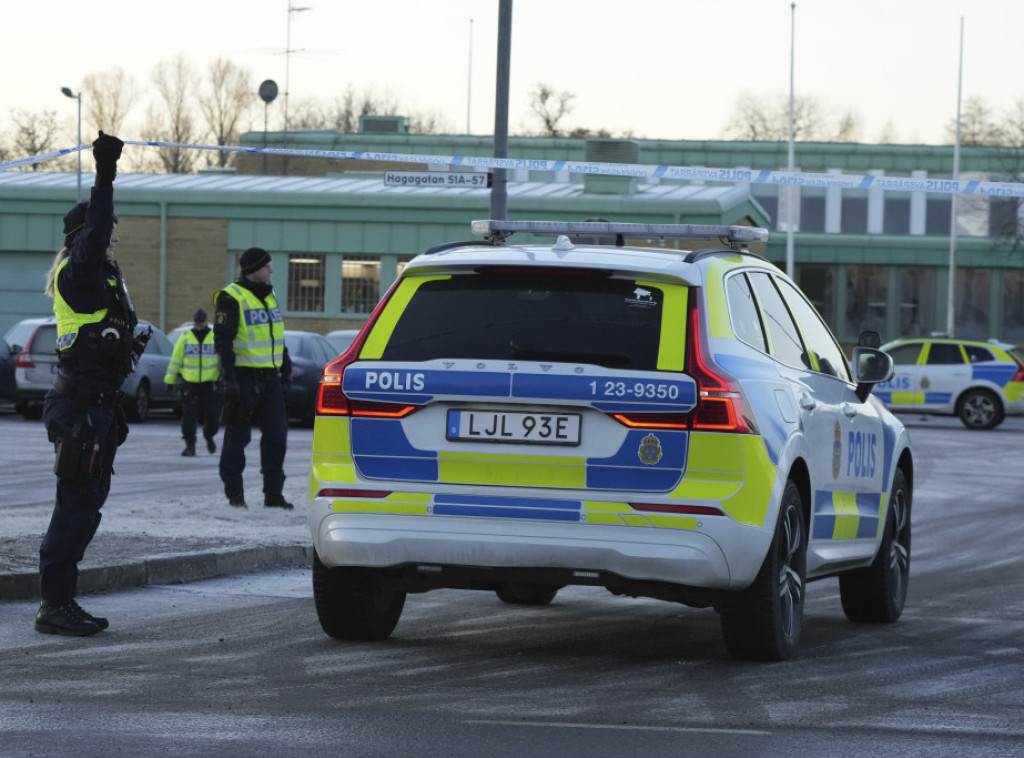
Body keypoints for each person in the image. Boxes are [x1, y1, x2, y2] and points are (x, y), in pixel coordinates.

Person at [37, 131, 148, 636]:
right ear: (86, 236)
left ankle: (65, 600)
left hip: (98, 409)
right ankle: (53, 606)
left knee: (87, 508)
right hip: (77, 409)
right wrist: (105, 173)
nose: (114, 237)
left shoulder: (102, 277)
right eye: (108, 231)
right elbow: (98, 223)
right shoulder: (77, 273)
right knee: (75, 509)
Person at [213, 246, 293, 510]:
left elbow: (277, 337)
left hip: (270, 379)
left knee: (276, 438)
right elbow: (223, 342)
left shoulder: (270, 297)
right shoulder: (231, 297)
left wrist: (285, 367)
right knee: (238, 438)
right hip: (244, 380)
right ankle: (235, 495)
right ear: (253, 269)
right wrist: (229, 379)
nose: (271, 270)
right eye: (267, 265)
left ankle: (273, 495)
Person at [164, 308, 221, 456]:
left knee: (213, 417)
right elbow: (176, 360)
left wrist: (225, 379)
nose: (198, 327)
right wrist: (169, 381)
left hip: (210, 384)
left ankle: (209, 435)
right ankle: (190, 446)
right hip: (190, 383)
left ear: (205, 322)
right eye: (196, 324)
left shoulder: (215, 337)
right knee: (188, 416)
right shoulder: (185, 337)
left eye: (201, 324)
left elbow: (223, 360)